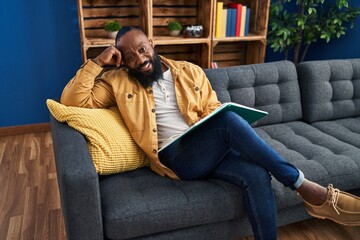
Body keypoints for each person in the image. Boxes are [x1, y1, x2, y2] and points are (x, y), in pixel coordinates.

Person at [61, 26, 360, 240]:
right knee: (229, 122)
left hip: (209, 147)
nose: (139, 59)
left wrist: (208, 123)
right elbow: (72, 100)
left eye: (141, 49)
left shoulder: (190, 71)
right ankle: (304, 186)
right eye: (129, 57)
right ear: (122, 62)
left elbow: (212, 107)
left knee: (257, 175)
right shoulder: (118, 83)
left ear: (152, 43)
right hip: (176, 157)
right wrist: (98, 63)